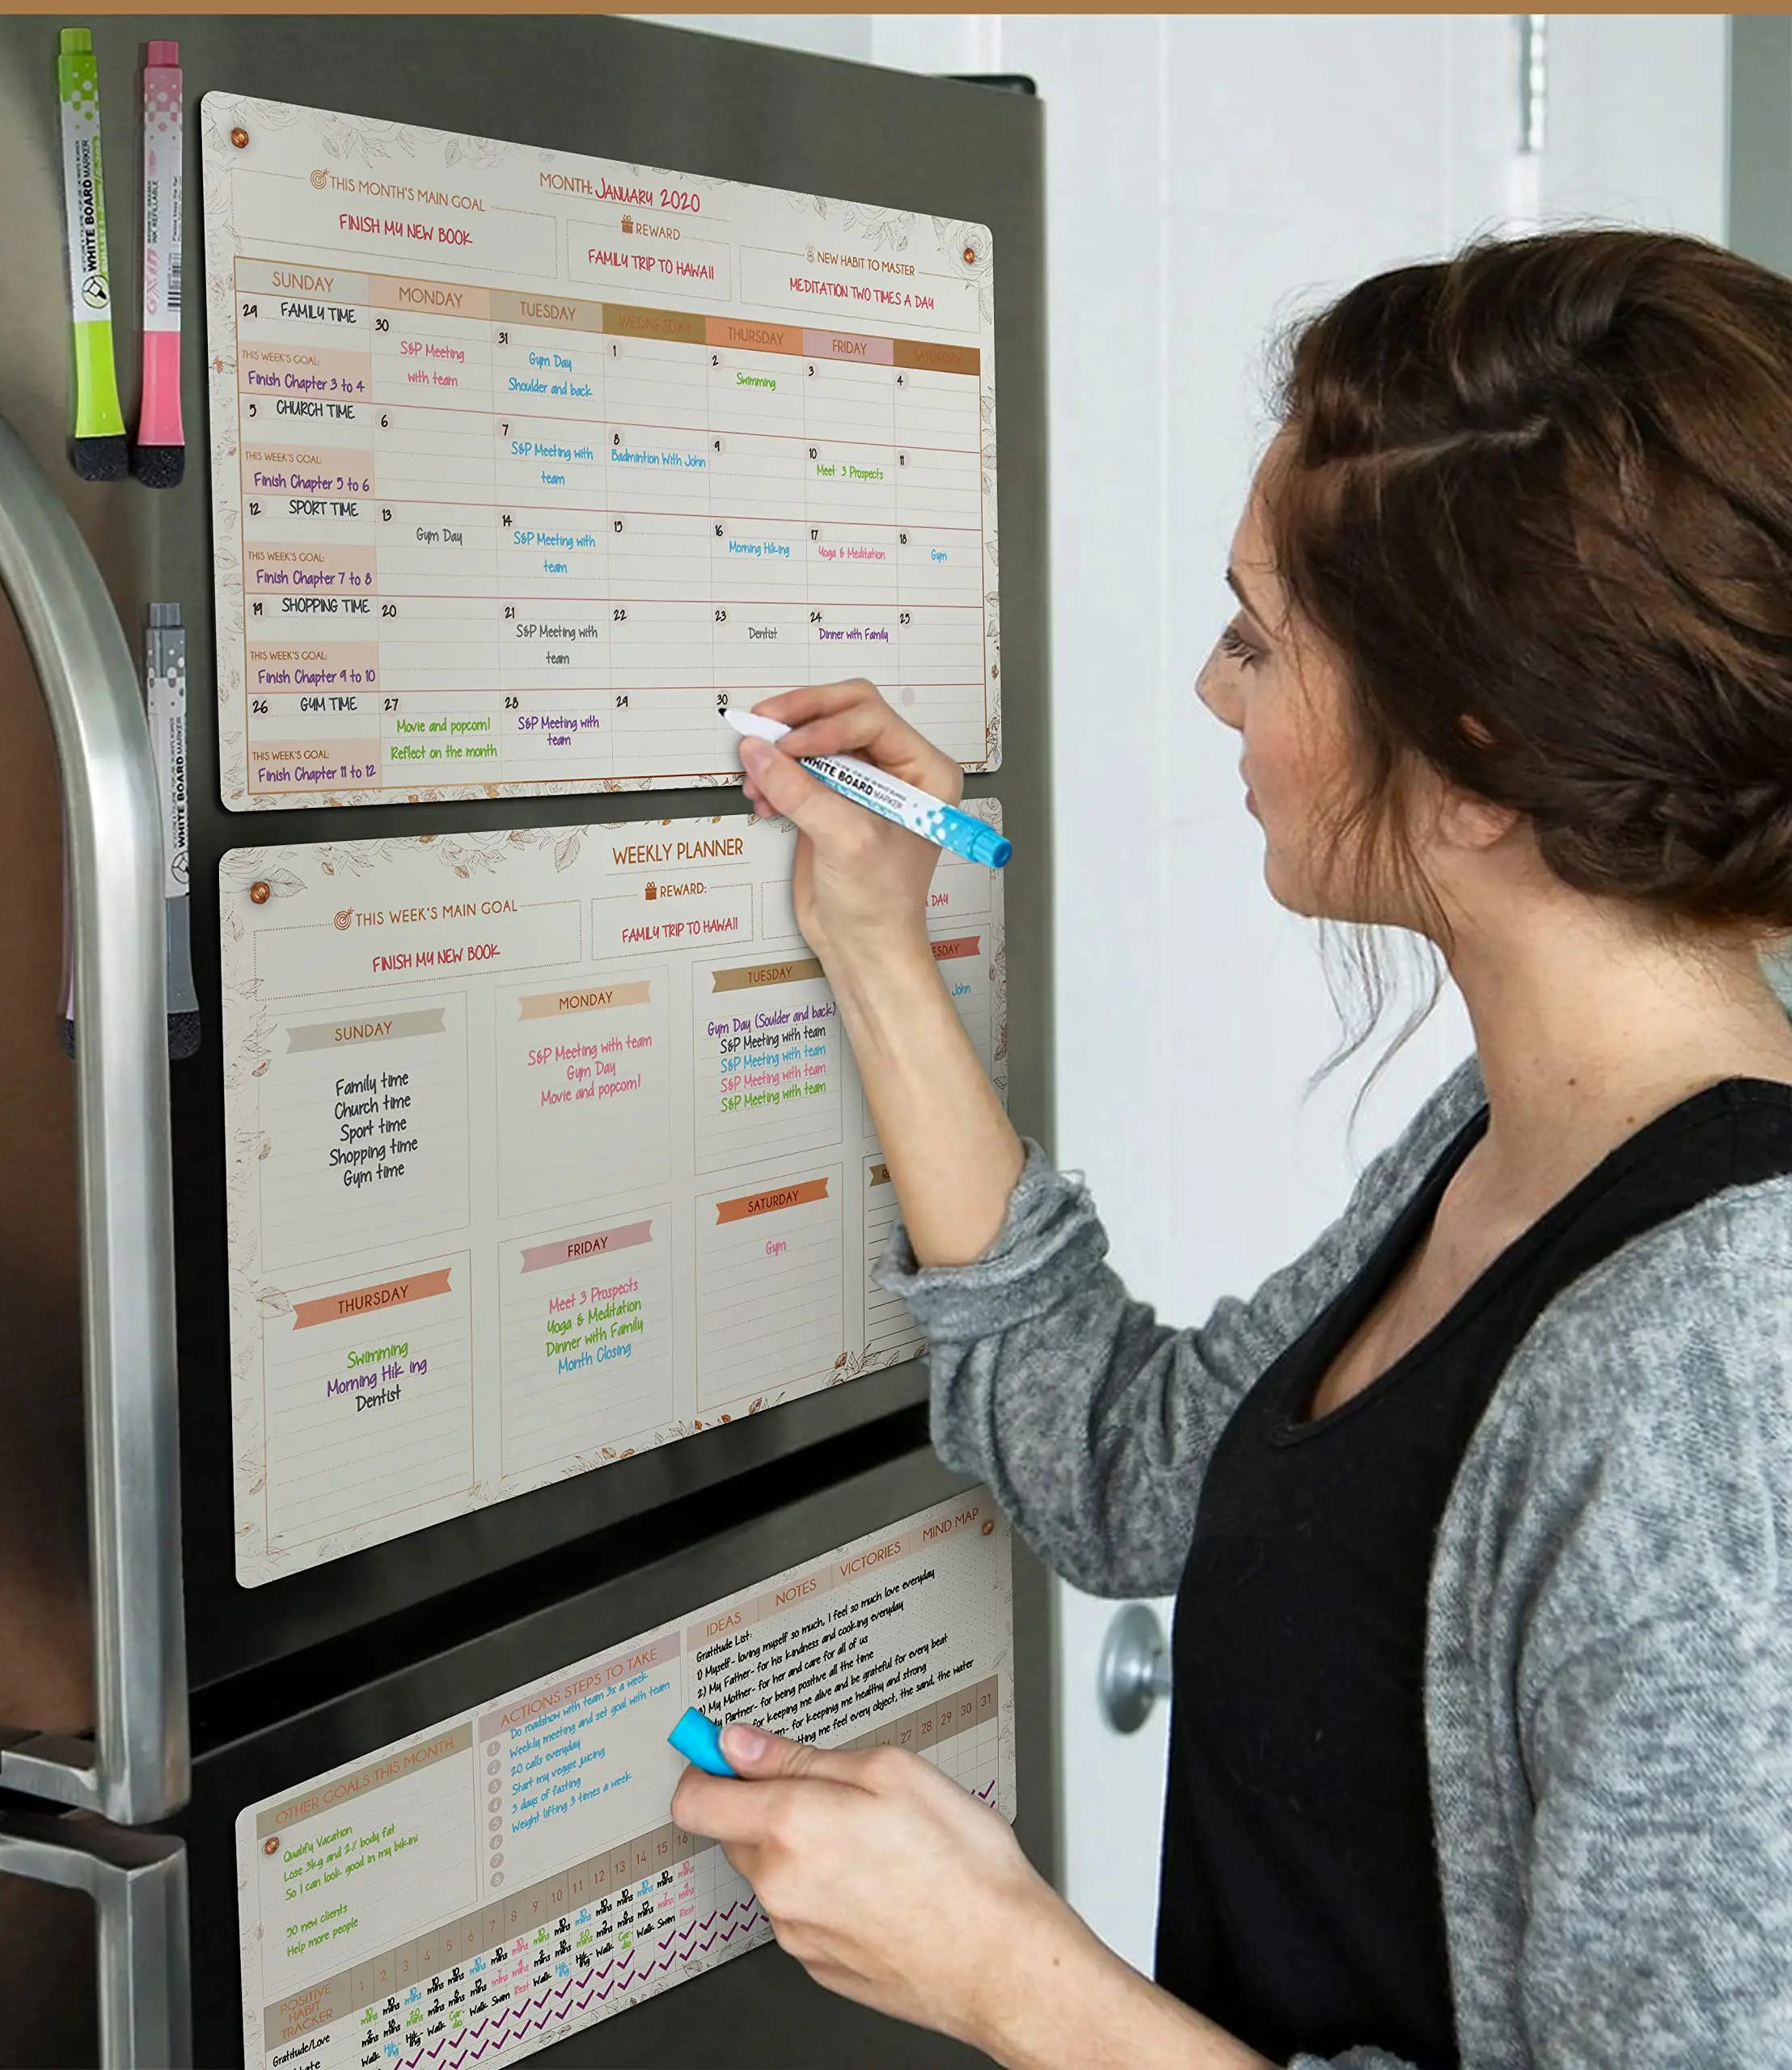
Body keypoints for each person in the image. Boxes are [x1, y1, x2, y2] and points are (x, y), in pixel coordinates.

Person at [671, 230, 1792, 2068]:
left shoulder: (1710, 1371)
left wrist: (1013, 1980)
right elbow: (1127, 1465)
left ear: (1480, 755)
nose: (1215, 692)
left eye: (1258, 636)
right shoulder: (1514, 1138)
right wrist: (877, 940)